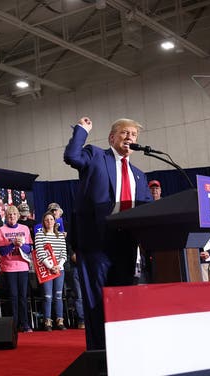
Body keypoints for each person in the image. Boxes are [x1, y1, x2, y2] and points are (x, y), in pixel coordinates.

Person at [63, 117, 152, 350]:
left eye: (133, 134)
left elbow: (148, 210)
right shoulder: (95, 156)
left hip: (126, 243)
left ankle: (120, 350)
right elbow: (71, 156)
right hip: (95, 243)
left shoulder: (139, 175)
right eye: (124, 133)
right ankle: (99, 354)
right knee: (96, 302)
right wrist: (82, 130)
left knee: (121, 299)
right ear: (112, 137)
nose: (130, 137)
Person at [0, 205, 33, 332]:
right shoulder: (1, 230)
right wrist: (12, 244)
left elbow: (29, 249)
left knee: (23, 296)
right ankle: (14, 325)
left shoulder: (25, 228)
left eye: (14, 214)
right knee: (13, 296)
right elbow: (2, 251)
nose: (12, 216)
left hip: (22, 266)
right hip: (9, 268)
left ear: (18, 216)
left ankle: (25, 324)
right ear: (6, 217)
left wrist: (21, 245)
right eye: (9, 215)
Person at [34, 211, 68, 331]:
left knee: (58, 296)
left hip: (59, 269)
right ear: (43, 222)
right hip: (46, 269)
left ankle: (60, 320)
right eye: (47, 220)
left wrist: (59, 265)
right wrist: (50, 266)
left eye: (51, 219)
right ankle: (47, 321)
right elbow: (39, 252)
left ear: (55, 221)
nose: (49, 222)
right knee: (48, 296)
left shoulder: (60, 236)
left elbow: (64, 252)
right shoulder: (39, 235)